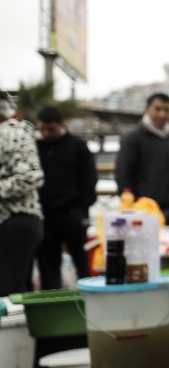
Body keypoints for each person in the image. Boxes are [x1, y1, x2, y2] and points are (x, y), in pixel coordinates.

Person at [34, 106, 98, 290]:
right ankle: (51, 303)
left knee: (82, 262)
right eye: (42, 129)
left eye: (51, 129)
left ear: (62, 126)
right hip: (45, 216)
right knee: (47, 265)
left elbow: (89, 179)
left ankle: (87, 298)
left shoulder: (77, 147)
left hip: (72, 214)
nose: (46, 133)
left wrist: (81, 208)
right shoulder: (36, 148)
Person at [0, 90, 45, 297]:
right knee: (14, 290)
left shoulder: (14, 133)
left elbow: (32, 176)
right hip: (12, 222)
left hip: (16, 221)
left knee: (9, 290)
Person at [115, 92, 169, 214]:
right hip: (142, 208)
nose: (162, 114)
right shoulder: (133, 138)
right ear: (147, 109)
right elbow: (123, 173)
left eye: (167, 110)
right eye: (157, 109)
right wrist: (131, 201)